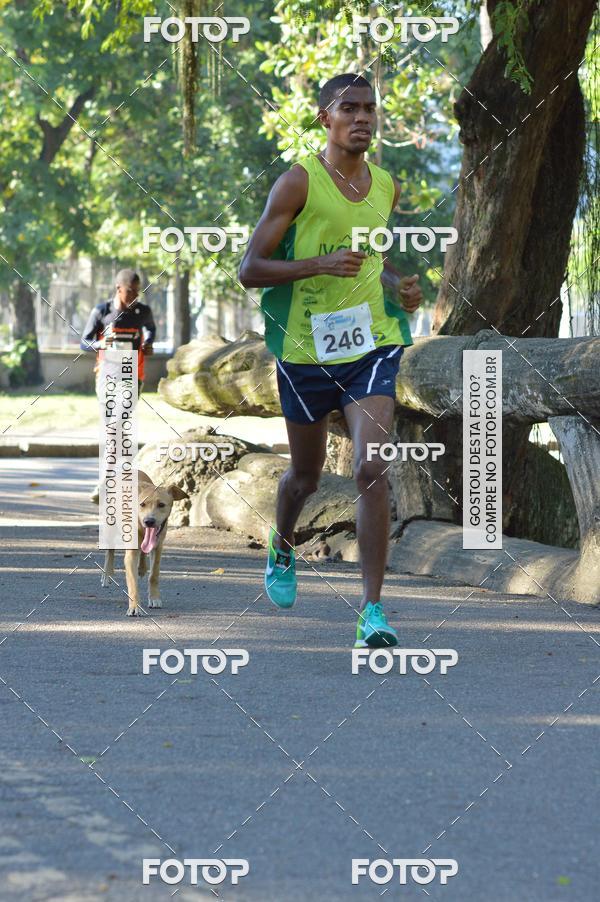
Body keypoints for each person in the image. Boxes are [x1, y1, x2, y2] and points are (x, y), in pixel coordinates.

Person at [239, 73, 423, 649]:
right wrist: (317, 266)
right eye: (350, 108)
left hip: (370, 344)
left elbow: (371, 259)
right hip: (304, 349)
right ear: (326, 118)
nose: (363, 118)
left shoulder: (386, 185)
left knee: (371, 467)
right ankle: (282, 543)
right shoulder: (298, 182)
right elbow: (250, 269)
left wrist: (399, 287)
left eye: (371, 109)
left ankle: (372, 610)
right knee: (306, 476)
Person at [80, 269, 156, 502]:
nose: (134, 295)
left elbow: (151, 329)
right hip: (107, 376)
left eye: (137, 291)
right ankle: (111, 482)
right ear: (118, 288)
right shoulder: (102, 311)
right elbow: (85, 341)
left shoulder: (143, 311)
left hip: (133, 376)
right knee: (113, 429)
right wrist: (101, 343)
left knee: (117, 424)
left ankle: (106, 483)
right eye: (130, 291)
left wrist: (149, 343)